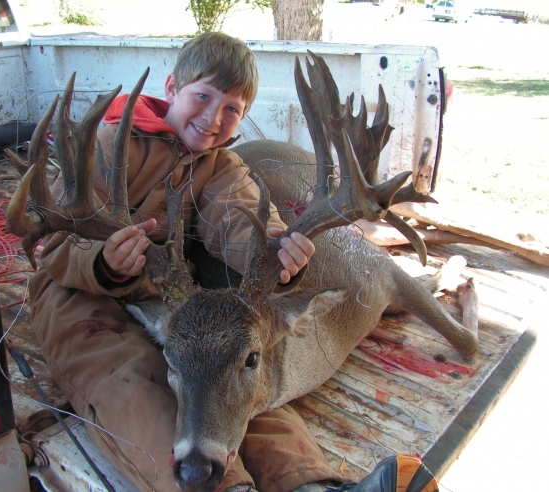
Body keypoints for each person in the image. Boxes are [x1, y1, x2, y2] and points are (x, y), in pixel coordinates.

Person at [28, 32, 438, 492]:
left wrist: (277, 253)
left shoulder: (220, 167)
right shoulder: (106, 146)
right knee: (129, 370)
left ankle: (309, 484)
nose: (211, 118)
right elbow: (57, 242)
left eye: (231, 109)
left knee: (233, 374)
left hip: (163, 294)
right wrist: (102, 261)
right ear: (170, 89)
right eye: (202, 97)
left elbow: (237, 224)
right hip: (77, 291)